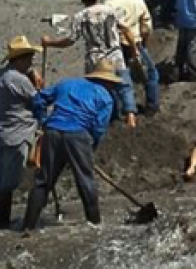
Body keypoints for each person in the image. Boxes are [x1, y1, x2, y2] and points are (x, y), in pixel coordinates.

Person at [21, 60, 123, 233]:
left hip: (53, 132)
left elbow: (38, 100)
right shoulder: (105, 96)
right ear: (107, 80)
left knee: (43, 181)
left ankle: (28, 227)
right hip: (78, 135)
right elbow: (99, 128)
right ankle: (95, 225)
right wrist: (90, 148)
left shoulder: (66, 83)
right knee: (86, 181)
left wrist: (44, 120)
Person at [41, 0, 137, 127]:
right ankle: (130, 116)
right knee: (124, 85)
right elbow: (126, 29)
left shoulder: (80, 16)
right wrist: (134, 49)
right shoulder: (110, 10)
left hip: (95, 58)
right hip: (114, 54)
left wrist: (50, 42)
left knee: (99, 89)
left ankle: (107, 118)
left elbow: (70, 40)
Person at [0, 35, 44, 229]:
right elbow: (38, 101)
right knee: (9, 180)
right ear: (19, 59)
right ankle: (2, 221)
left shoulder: (0, 75)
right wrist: (38, 87)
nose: (31, 62)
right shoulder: (19, 80)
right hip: (18, 133)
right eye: (28, 59)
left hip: (3, 131)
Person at [102, 0, 160, 115]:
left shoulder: (107, 4)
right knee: (151, 73)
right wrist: (143, 44)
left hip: (116, 46)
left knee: (118, 78)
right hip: (136, 43)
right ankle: (152, 105)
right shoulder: (138, 1)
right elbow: (146, 27)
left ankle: (120, 110)